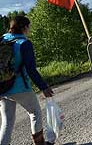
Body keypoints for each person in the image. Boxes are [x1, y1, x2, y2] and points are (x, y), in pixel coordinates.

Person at [0, 16, 54, 145]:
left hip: (2, 87)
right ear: (24, 28)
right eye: (29, 27)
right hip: (19, 87)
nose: (29, 29)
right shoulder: (24, 43)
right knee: (35, 113)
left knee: (7, 121)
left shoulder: (2, 39)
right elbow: (31, 70)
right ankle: (40, 144)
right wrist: (44, 87)